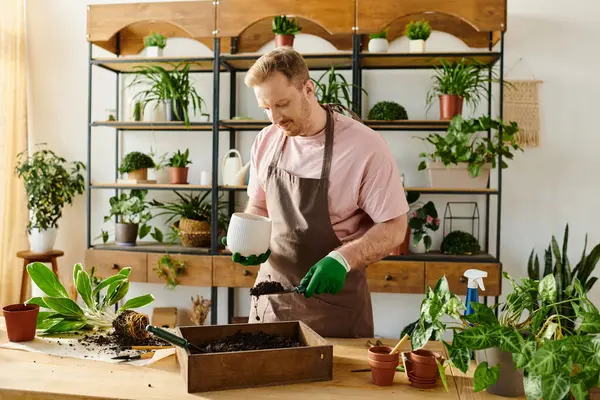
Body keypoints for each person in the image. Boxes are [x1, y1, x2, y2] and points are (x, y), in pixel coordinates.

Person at [224, 46, 409, 338]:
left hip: (332, 308)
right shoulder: (266, 140)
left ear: (308, 89)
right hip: (272, 300)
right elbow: (259, 205)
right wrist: (249, 241)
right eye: (266, 108)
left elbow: (395, 227)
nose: (275, 119)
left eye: (282, 104)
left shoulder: (365, 147)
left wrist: (342, 258)